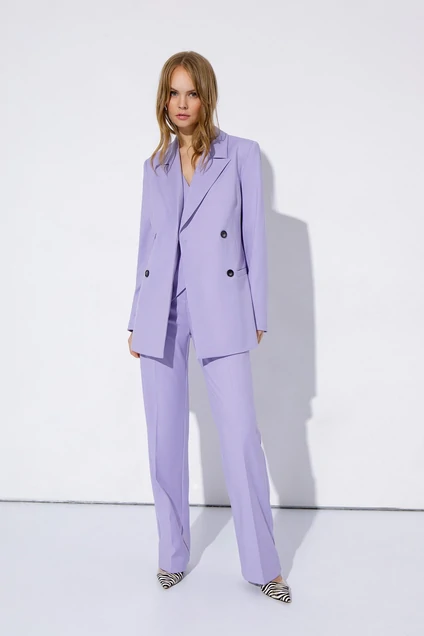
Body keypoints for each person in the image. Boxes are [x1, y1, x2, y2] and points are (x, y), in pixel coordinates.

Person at [127, 51, 292, 604]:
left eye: (191, 93)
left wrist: (258, 312)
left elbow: (254, 237)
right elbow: (147, 244)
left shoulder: (239, 154)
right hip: (163, 310)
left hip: (221, 304)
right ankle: (171, 555)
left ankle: (264, 567)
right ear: (163, 100)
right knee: (163, 438)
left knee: (241, 435)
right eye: (173, 93)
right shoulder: (154, 166)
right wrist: (136, 318)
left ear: (206, 97)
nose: (181, 103)